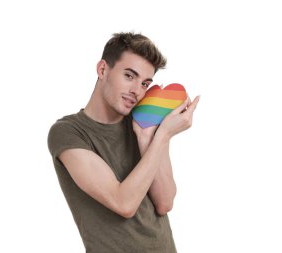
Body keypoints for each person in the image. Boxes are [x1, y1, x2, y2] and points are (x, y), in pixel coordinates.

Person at [47, 32, 200, 253]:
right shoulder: (68, 132)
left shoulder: (144, 123)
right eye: (129, 76)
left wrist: (148, 136)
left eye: (145, 83)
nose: (137, 91)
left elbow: (165, 202)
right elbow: (123, 203)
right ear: (102, 70)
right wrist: (164, 135)